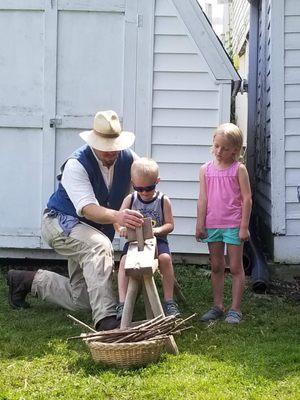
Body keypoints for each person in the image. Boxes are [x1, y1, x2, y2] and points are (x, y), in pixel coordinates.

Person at [7, 110, 143, 331]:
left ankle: (25, 280)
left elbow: (144, 177)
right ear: (93, 142)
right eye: (106, 148)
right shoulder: (76, 164)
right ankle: (106, 320)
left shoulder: (128, 158)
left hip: (90, 230)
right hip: (60, 224)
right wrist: (118, 216)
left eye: (114, 147)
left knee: (82, 301)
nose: (112, 152)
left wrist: (152, 193)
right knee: (99, 247)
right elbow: (88, 209)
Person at [195, 123, 252, 324]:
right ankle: (218, 306)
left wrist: (244, 226)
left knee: (235, 267)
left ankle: (235, 309)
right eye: (217, 145)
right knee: (217, 265)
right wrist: (199, 223)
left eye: (225, 148)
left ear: (235, 150)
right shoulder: (205, 170)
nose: (219, 151)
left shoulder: (239, 170)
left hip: (234, 225)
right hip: (213, 224)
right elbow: (202, 198)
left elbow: (247, 199)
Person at [114, 157, 181, 320]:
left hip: (157, 242)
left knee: (165, 259)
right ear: (133, 183)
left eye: (149, 188)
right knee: (123, 263)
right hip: (134, 243)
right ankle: (122, 303)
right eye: (139, 188)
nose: (144, 192)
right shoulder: (130, 199)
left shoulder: (163, 200)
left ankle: (169, 301)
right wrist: (121, 229)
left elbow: (170, 225)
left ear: (157, 181)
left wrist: (157, 230)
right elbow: (117, 219)